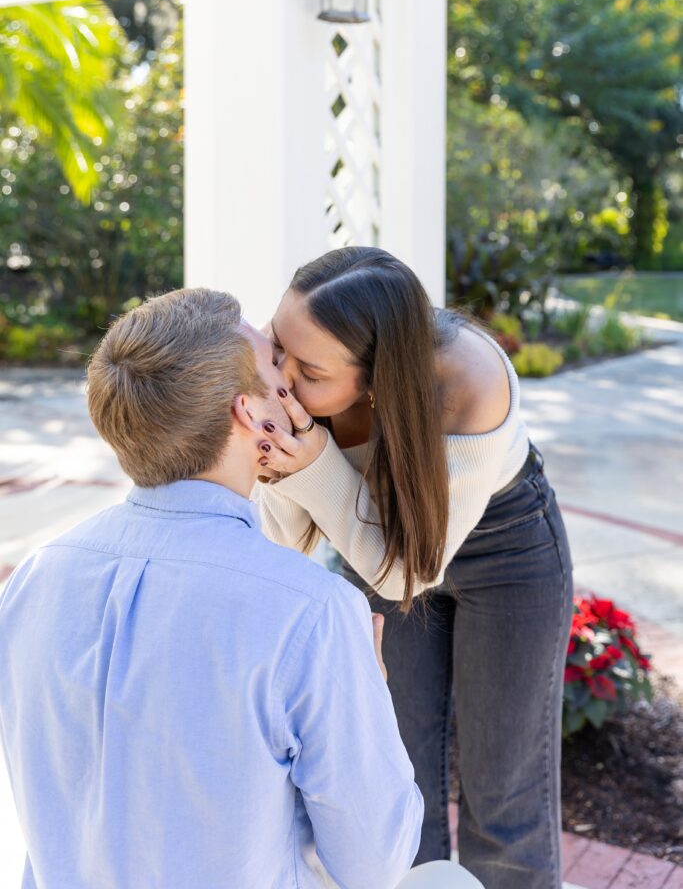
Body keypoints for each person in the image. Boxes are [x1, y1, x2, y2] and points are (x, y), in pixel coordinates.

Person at [0, 287, 424, 889]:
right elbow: (375, 863)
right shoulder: (311, 612)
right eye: (276, 366)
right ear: (250, 412)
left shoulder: (33, 581)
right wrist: (369, 693)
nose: (292, 385)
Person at [255, 247, 574, 889]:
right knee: (392, 770)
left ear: (376, 378)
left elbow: (407, 574)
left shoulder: (468, 382)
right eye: (275, 347)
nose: (282, 380)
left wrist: (313, 463)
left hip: (504, 551)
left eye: (309, 371)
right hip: (374, 539)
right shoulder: (303, 381)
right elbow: (284, 536)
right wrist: (285, 460)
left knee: (505, 788)